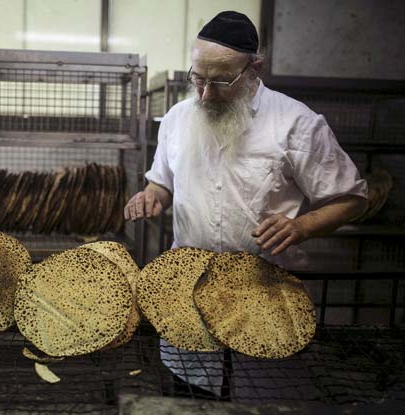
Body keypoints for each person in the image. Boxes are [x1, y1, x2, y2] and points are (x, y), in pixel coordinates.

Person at [124, 11, 368, 397]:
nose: (205, 94)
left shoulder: (296, 123)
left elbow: (351, 199)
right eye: (198, 78)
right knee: (189, 398)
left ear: (254, 68)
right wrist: (151, 195)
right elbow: (162, 181)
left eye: (220, 81)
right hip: (186, 295)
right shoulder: (177, 118)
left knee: (259, 398)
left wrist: (301, 227)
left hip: (264, 295)